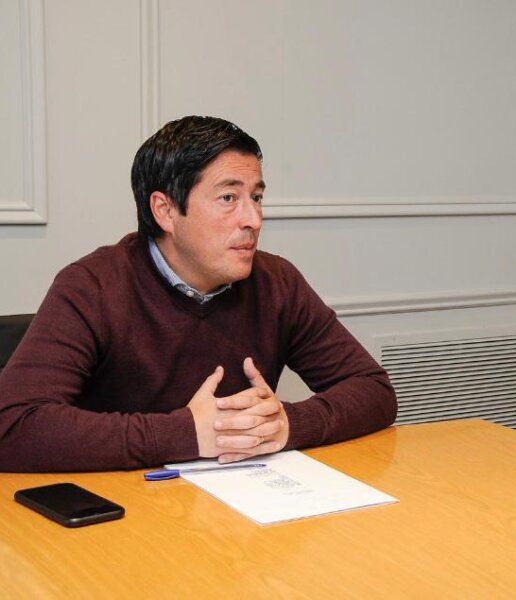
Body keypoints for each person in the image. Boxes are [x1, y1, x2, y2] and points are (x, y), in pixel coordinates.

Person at [0, 116, 397, 471]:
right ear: (165, 211)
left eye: (256, 197)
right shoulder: (92, 286)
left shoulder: (277, 281)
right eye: (229, 198)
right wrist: (187, 434)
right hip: (124, 510)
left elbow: (374, 390)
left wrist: (287, 425)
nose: (254, 219)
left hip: (241, 510)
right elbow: (12, 426)